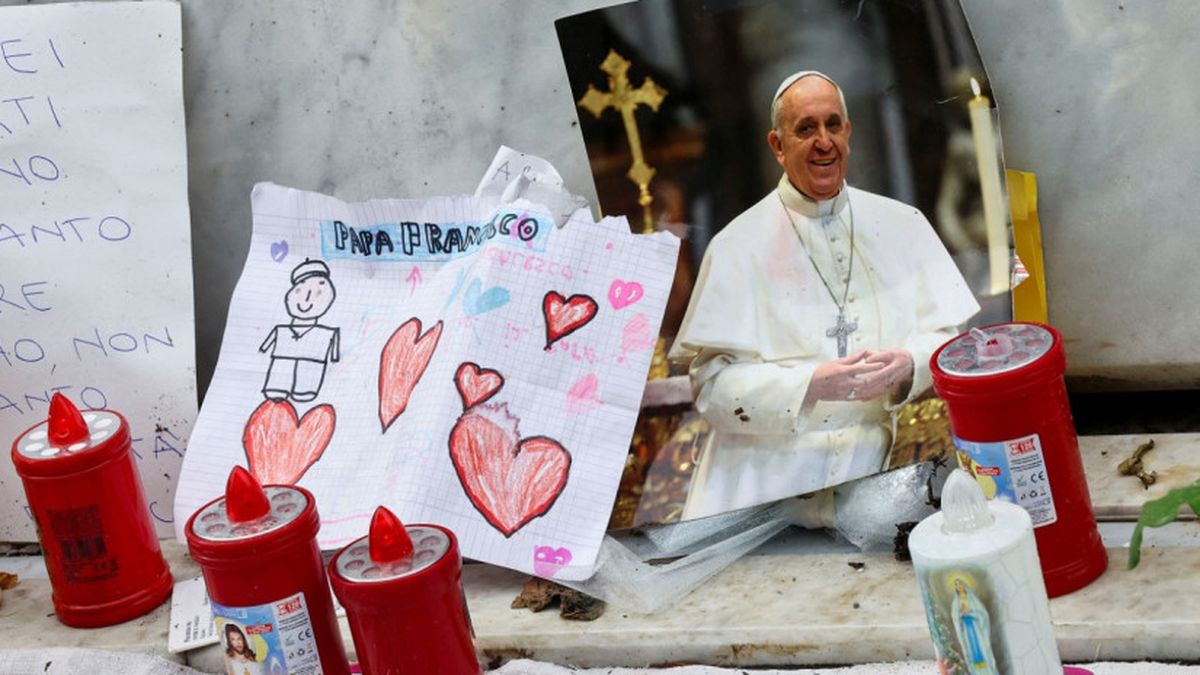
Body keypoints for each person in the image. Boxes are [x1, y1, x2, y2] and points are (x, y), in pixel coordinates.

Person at [670, 71, 979, 520]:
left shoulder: (902, 222)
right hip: (762, 479)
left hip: (874, 466)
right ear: (777, 145)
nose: (823, 142)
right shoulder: (736, 245)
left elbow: (951, 336)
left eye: (833, 125)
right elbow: (713, 388)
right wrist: (810, 385)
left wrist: (908, 363)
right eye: (806, 128)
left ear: (848, 134)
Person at [260, 259, 340, 402]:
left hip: (313, 361)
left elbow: (334, 351)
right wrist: (262, 350)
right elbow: (264, 348)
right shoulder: (281, 330)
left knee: (307, 378)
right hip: (282, 357)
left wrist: (334, 358)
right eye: (299, 290)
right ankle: (278, 387)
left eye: (318, 293)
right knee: (280, 372)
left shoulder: (327, 333)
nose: (307, 299)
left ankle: (304, 389)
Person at [950, 577, 999, 674]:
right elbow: (955, 617)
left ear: (964, 585)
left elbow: (983, 614)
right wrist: (961, 615)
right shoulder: (956, 602)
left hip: (976, 628)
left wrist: (971, 613)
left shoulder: (972, 598)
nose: (959, 586)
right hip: (966, 630)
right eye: (956, 584)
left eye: (960, 583)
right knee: (971, 651)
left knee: (983, 648)